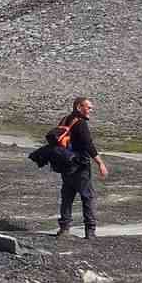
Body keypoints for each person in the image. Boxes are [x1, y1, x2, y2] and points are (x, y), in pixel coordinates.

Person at [57, 97, 108, 239]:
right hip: (80, 165)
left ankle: (64, 229)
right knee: (88, 197)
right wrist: (100, 163)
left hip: (65, 164)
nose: (91, 110)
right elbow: (88, 145)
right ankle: (90, 232)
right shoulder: (80, 123)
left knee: (67, 196)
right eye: (89, 107)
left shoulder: (65, 119)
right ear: (79, 107)